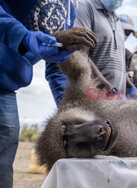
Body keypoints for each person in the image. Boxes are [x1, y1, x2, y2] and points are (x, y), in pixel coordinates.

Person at [0, 1, 91, 187]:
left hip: (7, 89)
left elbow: (56, 66)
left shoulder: (68, 10)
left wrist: (69, 108)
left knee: (2, 168)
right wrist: (24, 37)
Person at [73, 0, 126, 94]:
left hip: (116, 97)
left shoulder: (117, 20)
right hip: (94, 93)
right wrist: (106, 86)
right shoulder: (86, 6)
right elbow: (80, 54)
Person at [118, 14, 137, 101]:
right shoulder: (102, 46)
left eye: (128, 34)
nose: (125, 36)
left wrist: (132, 88)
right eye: (124, 32)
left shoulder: (127, 55)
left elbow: (128, 75)